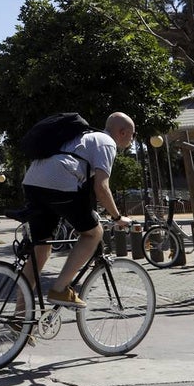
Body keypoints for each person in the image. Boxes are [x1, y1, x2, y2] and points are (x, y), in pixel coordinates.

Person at [21, 112, 135, 308]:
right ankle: (60, 289)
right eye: (133, 135)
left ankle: (19, 316)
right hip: (59, 183)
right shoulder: (107, 142)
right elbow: (101, 187)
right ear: (123, 132)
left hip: (32, 181)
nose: (133, 139)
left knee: (41, 248)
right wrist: (117, 217)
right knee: (94, 233)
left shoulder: (82, 137)